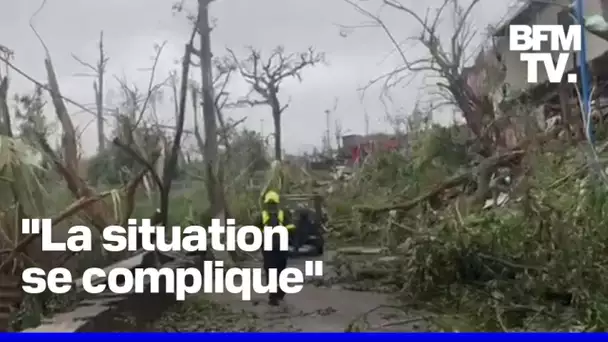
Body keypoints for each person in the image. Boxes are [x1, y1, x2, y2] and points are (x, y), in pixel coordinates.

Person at [254, 190, 296, 306]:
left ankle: (273, 295)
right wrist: (292, 242)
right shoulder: (284, 214)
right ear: (277, 203)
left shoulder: (261, 215)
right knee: (280, 270)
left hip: (268, 248)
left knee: (270, 271)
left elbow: (254, 231)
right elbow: (291, 228)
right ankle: (279, 294)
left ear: (266, 203)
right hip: (281, 247)